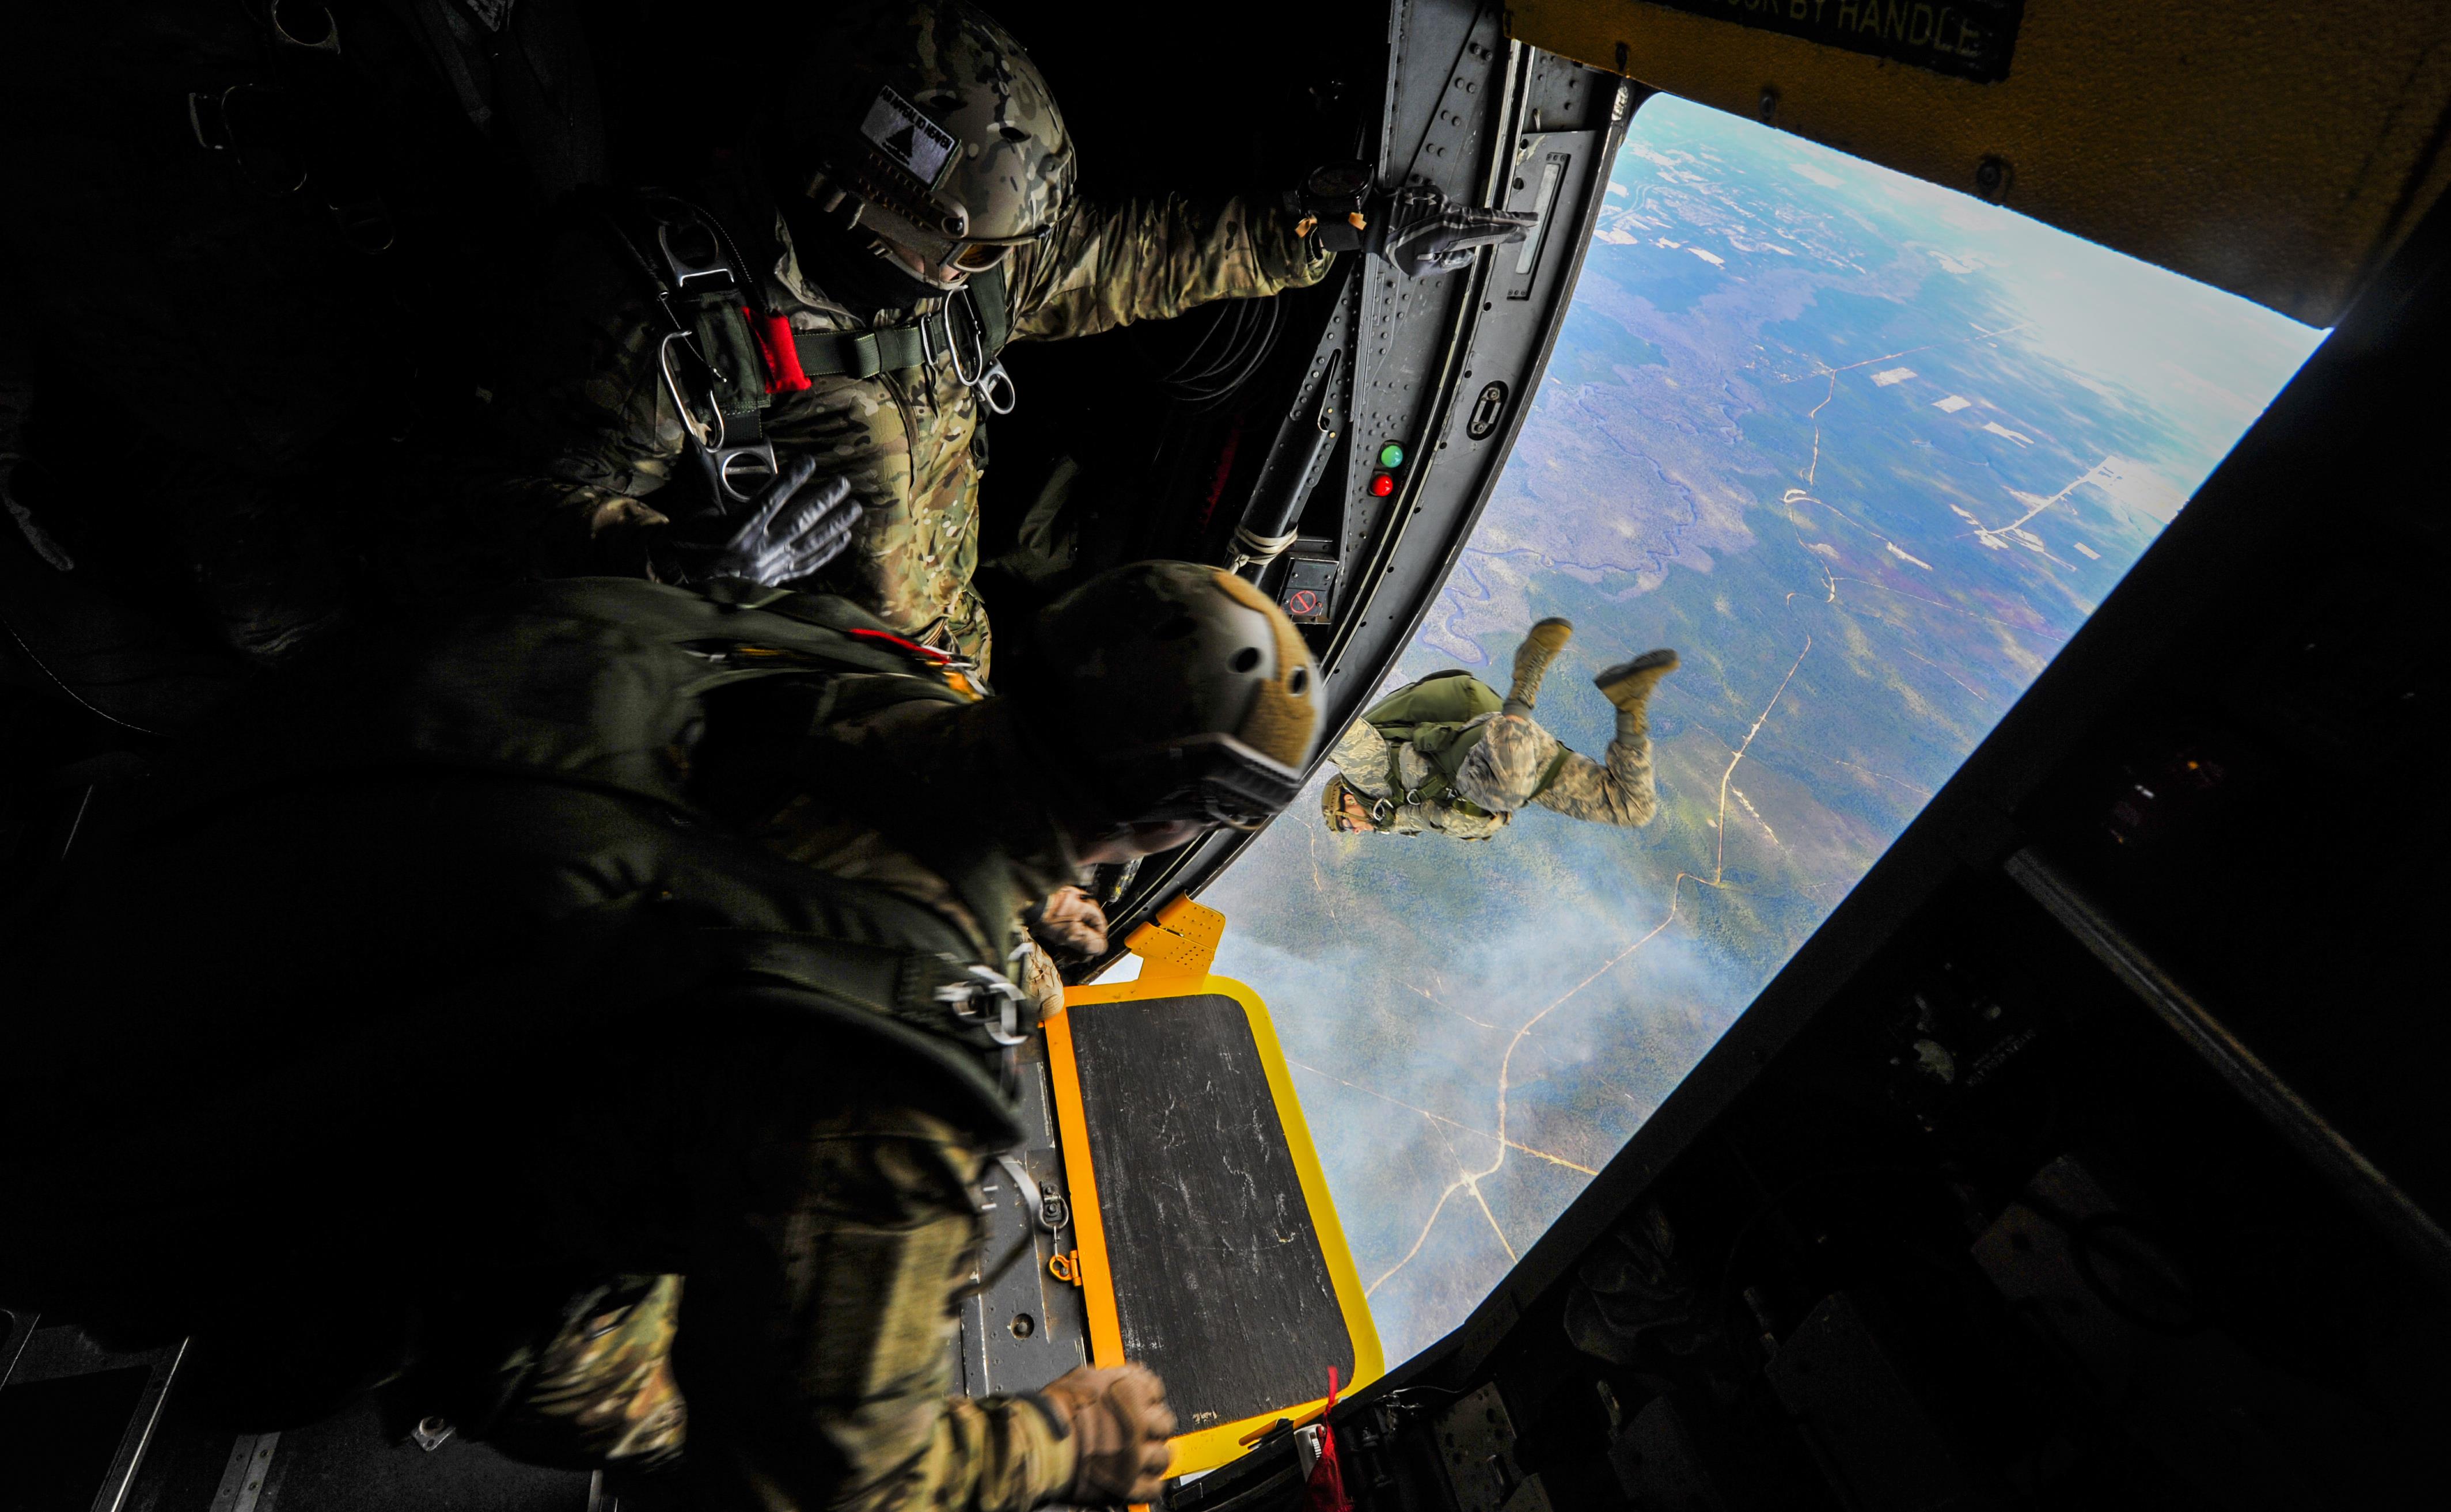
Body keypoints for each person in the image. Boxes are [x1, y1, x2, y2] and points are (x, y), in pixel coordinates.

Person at [0, 560, 1322, 1509]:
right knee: (671, 1394)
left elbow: (816, 846)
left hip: (132, 932)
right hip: (249, 1193)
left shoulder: (815, 649)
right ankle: (427, 1372)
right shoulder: (891, 1082)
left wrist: (1016, 910)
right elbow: (839, 1470)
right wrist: (1063, 1442)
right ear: (1175, 821)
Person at [430, 0, 1529, 673]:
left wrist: (1327, 229)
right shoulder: (655, 318)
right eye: (976, 257)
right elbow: (483, 521)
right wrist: (670, 563)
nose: (996, 280)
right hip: (801, 725)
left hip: (948, 670)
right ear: (868, 218)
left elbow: (1144, 254)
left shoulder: (949, 283)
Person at [1321, 617, 1676, 839]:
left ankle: (1529, 673)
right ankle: (1631, 703)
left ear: (1347, 800)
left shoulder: (1369, 782)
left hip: (1475, 749)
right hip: (1522, 764)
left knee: (1505, 793)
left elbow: (1337, 732)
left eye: (1348, 824)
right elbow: (1459, 821)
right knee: (1635, 809)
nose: (1358, 830)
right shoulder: (1397, 816)